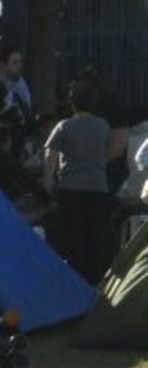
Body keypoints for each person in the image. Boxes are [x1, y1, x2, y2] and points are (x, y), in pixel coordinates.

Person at [43, 80, 116, 284]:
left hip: (70, 188)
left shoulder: (64, 126)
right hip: (97, 187)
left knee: (72, 234)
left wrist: (48, 179)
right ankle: (95, 277)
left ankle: (73, 278)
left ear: (72, 103)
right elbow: (109, 149)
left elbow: (50, 154)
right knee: (94, 234)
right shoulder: (103, 125)